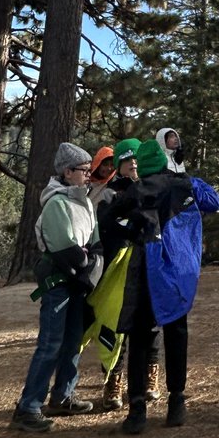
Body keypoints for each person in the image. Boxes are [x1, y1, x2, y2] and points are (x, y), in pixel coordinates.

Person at [112, 138, 219, 435]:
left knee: (139, 335)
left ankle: (137, 410)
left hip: (146, 271)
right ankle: (176, 402)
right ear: (163, 162)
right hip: (178, 271)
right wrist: (189, 178)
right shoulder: (184, 185)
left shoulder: (137, 190)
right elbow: (214, 202)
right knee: (176, 332)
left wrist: (132, 230)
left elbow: (109, 218)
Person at [12, 142, 102, 433]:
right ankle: (28, 407)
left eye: (89, 169)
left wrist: (91, 262)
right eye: (83, 170)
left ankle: (63, 395)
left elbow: (94, 240)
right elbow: (64, 246)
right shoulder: (56, 203)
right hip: (60, 283)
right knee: (51, 344)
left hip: (77, 282)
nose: (88, 174)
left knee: (73, 340)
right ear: (67, 172)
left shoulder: (84, 201)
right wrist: (88, 265)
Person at [94, 138, 161, 411]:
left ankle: (150, 377)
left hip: (148, 266)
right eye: (127, 160)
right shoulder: (109, 194)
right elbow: (106, 226)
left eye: (136, 160)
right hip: (118, 269)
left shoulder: (152, 189)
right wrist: (131, 230)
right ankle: (113, 381)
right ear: (118, 165)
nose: (133, 164)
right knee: (114, 326)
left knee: (151, 324)